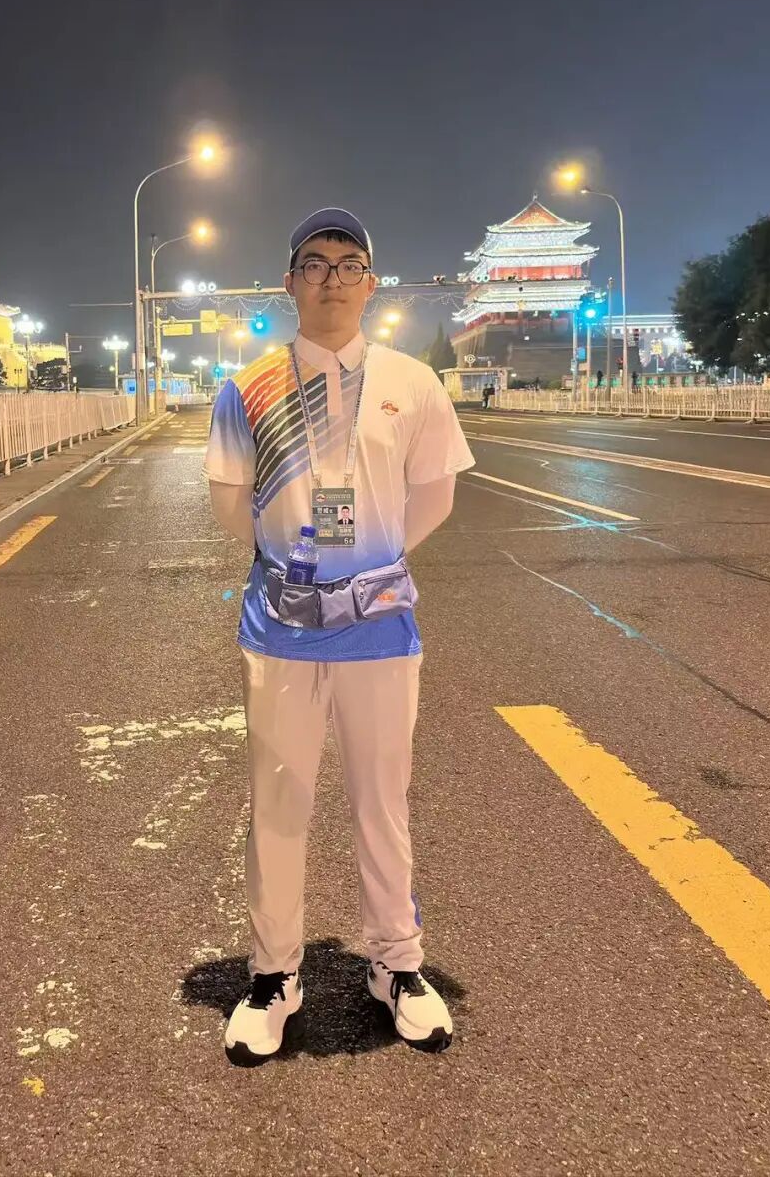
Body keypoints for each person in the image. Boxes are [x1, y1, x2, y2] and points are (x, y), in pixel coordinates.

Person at [204, 208, 475, 1067]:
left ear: (371, 283)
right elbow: (231, 505)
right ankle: (273, 976)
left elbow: (434, 495)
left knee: (381, 803)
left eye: (348, 263)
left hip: (380, 632)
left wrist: (369, 568)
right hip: (281, 630)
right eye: (315, 263)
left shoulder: (411, 382)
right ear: (290, 282)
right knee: (278, 807)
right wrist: (302, 568)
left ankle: (396, 964)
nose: (332, 278)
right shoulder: (248, 387)